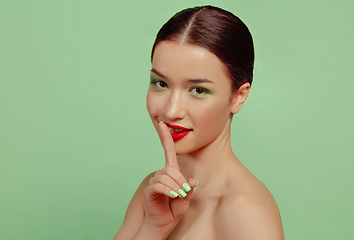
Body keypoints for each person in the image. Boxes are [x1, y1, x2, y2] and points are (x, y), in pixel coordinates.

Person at [114, 5, 284, 240]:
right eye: (161, 83)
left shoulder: (245, 211)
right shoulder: (153, 190)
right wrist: (154, 227)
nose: (171, 111)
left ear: (238, 96)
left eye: (198, 90)